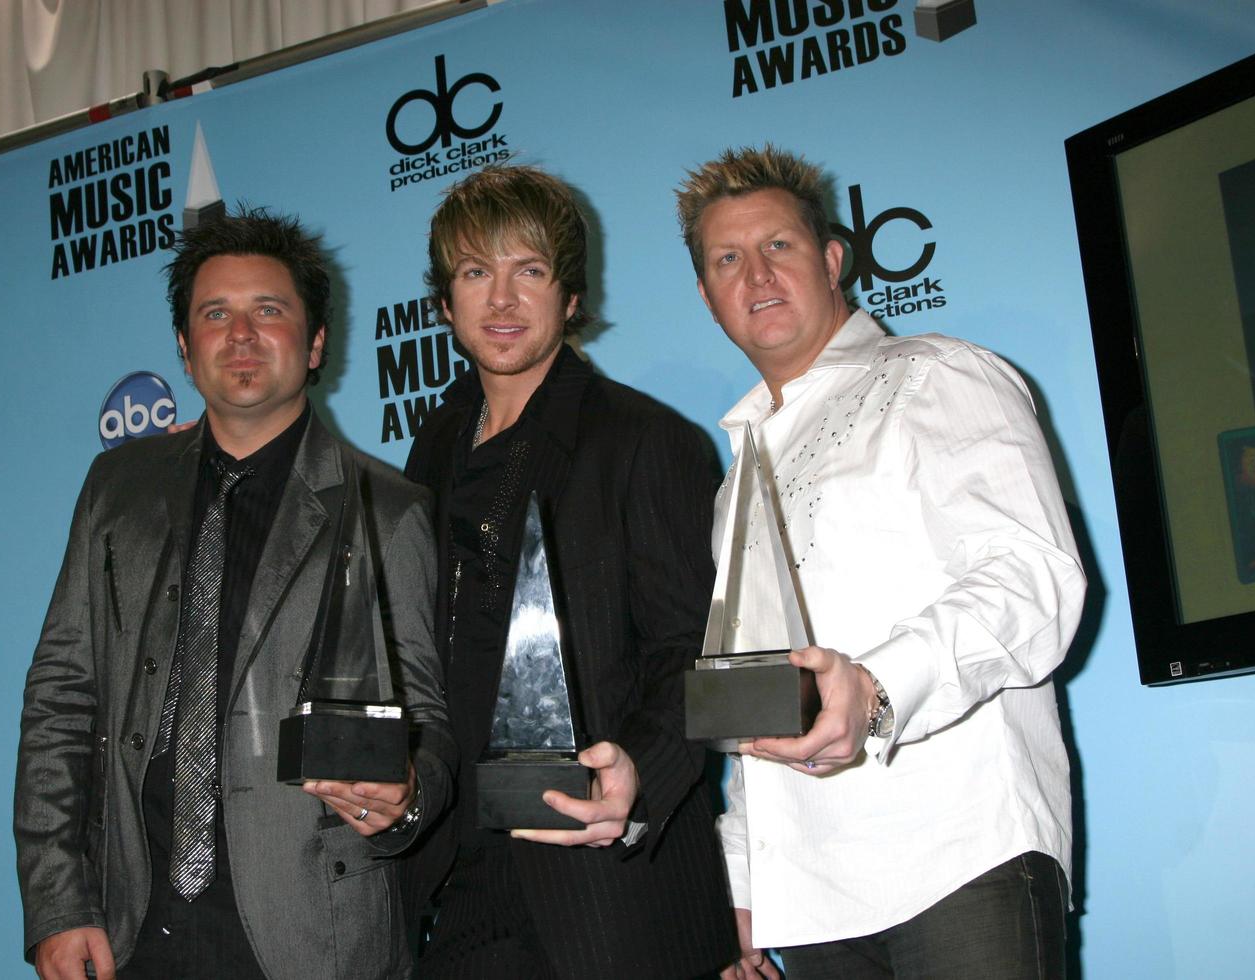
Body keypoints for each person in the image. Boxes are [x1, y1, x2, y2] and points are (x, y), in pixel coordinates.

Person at [675, 146, 1085, 979]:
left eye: (778, 246)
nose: (755, 274)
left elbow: (1033, 578)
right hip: (817, 906)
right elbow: (759, 691)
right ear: (707, 295)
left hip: (964, 855)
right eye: (727, 258)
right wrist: (749, 885)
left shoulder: (935, 374)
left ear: (831, 259)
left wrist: (878, 686)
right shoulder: (735, 483)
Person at [14, 208, 453, 980]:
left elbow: (427, 719)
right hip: (132, 934)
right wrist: (58, 903)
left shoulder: (388, 510)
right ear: (185, 349)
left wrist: (405, 796)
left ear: (316, 343)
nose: (241, 335)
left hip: (311, 939)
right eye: (215, 314)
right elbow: (61, 699)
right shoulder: (117, 491)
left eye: (269, 311)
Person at [403, 164, 738, 979]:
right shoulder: (428, 453)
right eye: (477, 273)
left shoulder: (645, 441)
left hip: (616, 888)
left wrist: (639, 773)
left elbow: (692, 653)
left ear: (572, 296)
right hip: (461, 882)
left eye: (531, 271)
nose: (503, 300)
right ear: (446, 303)